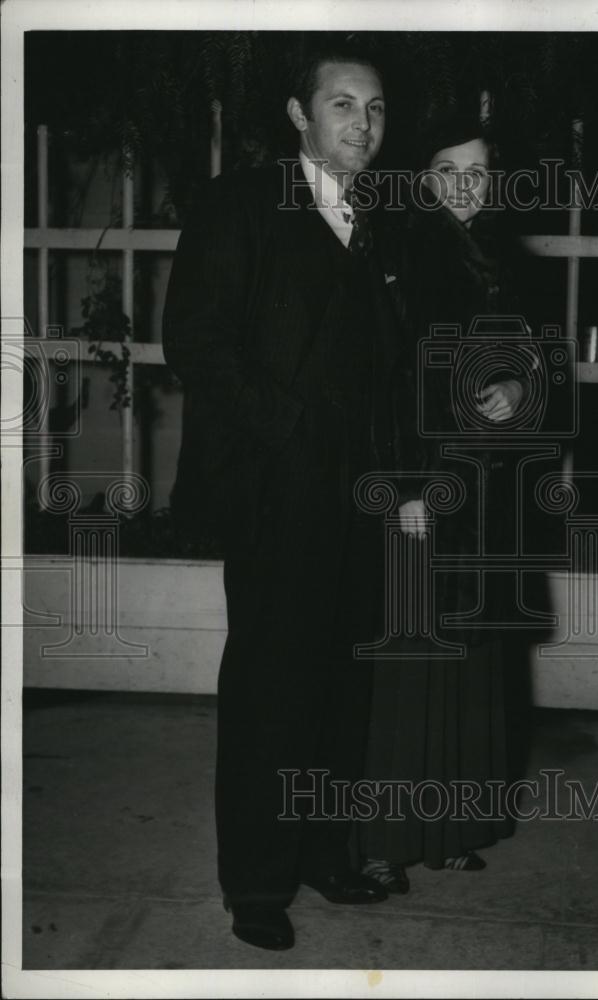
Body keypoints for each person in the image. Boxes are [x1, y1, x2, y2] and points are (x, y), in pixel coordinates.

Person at [162, 43, 402, 950]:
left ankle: (326, 853)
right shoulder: (239, 204)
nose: (362, 125)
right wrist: (290, 427)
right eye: (342, 106)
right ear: (300, 117)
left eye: (375, 109)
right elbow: (196, 338)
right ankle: (256, 885)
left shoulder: (379, 217)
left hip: (360, 495)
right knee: (272, 689)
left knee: (345, 683)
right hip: (273, 490)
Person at [358, 111, 536, 893]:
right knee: (410, 660)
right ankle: (382, 839)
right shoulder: (398, 250)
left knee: (469, 658)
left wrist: (517, 382)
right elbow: (385, 383)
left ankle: (452, 826)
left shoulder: (500, 255)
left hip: (490, 492)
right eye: (448, 170)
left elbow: (532, 355)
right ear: (423, 179)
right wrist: (403, 488)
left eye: (478, 170)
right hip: (426, 486)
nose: (466, 185)